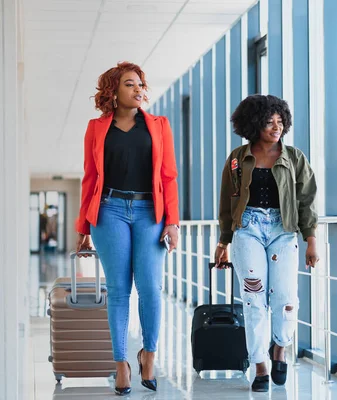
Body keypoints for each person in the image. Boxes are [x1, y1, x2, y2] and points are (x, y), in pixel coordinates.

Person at [74, 62, 180, 395]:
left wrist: (173, 222)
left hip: (151, 211)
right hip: (109, 211)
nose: (138, 90)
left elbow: (169, 177)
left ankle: (149, 354)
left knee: (150, 287)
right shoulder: (96, 128)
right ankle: (121, 363)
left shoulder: (159, 126)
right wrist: (82, 226)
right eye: (130, 84)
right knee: (119, 291)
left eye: (141, 84)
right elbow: (90, 178)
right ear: (113, 92)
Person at [214, 94, 319, 392]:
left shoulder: (294, 158)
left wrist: (311, 240)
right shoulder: (237, 158)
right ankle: (259, 363)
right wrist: (223, 242)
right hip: (247, 229)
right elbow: (226, 202)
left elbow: (307, 201)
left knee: (285, 297)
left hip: (283, 230)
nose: (276, 127)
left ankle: (280, 348)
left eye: (280, 121)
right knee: (253, 297)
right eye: (269, 122)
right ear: (253, 125)